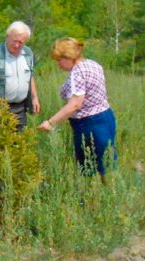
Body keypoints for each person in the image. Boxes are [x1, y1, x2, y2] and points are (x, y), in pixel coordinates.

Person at [37, 37, 117, 180]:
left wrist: (50, 122)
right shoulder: (93, 64)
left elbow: (75, 104)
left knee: (90, 169)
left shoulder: (77, 73)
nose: (58, 64)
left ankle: (96, 200)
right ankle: (108, 197)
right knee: (107, 163)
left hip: (89, 124)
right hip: (106, 117)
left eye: (59, 59)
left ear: (68, 57)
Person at [0, 21, 40, 130]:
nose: (17, 45)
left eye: (21, 42)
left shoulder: (28, 53)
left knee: (19, 143)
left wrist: (35, 98)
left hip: (20, 109)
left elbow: (30, 76)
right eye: (14, 41)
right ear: (7, 37)